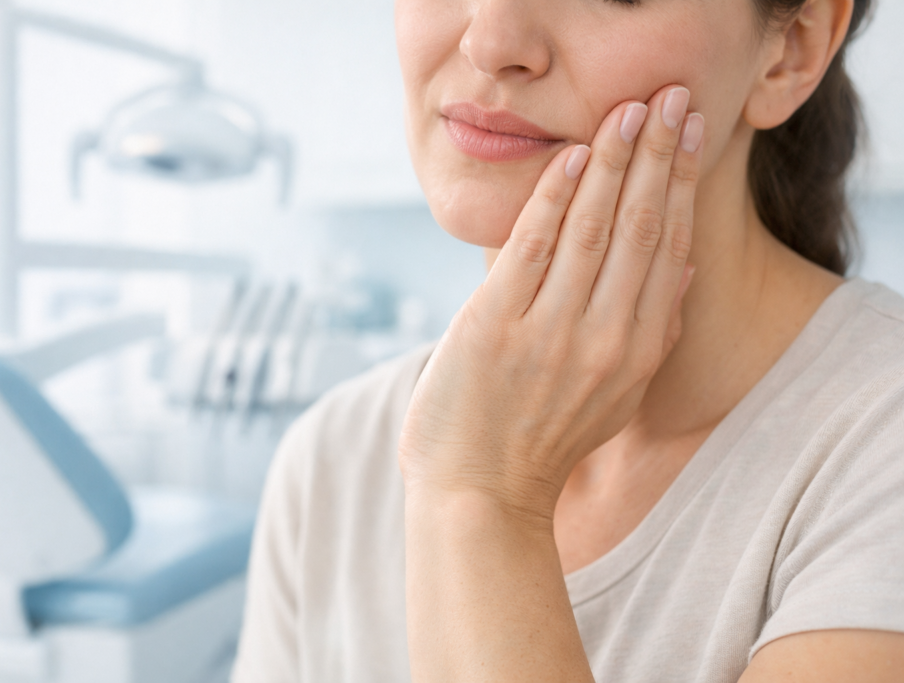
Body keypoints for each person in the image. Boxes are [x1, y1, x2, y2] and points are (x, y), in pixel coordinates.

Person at [231, 0, 904, 680]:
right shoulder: (330, 461)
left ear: (794, 47)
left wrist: (482, 494)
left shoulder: (881, 451)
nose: (488, 42)